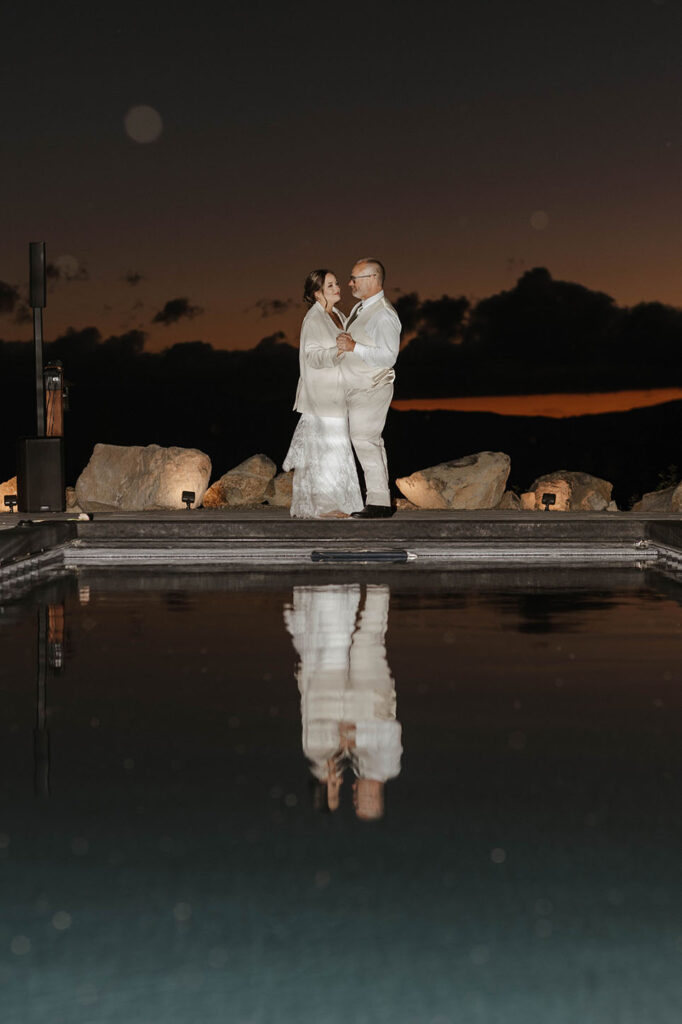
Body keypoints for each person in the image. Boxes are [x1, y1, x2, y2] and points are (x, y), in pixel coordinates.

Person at [284, 583, 402, 821]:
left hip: (349, 698)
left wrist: (347, 740)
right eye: (360, 800)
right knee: (368, 640)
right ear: (375, 797)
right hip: (372, 700)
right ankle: (379, 583)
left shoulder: (339, 760)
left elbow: (315, 716)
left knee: (359, 642)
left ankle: (365, 586)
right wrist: (355, 736)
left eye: (355, 799)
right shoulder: (387, 767)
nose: (353, 792)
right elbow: (391, 731)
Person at [283, 269, 363, 518]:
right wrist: (337, 351)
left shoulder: (337, 315)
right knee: (326, 452)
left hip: (339, 395)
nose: (337, 288)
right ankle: (324, 506)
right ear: (317, 293)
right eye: (330, 285)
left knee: (338, 450)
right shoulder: (313, 319)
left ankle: (342, 502)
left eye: (336, 283)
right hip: (322, 397)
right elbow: (312, 357)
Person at [335, 258, 401, 519]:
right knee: (366, 441)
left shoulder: (383, 314)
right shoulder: (361, 308)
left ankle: (379, 503)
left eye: (355, 278)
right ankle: (378, 500)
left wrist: (354, 347)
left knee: (365, 440)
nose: (349, 283)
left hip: (372, 388)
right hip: (356, 387)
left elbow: (388, 356)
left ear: (373, 279)